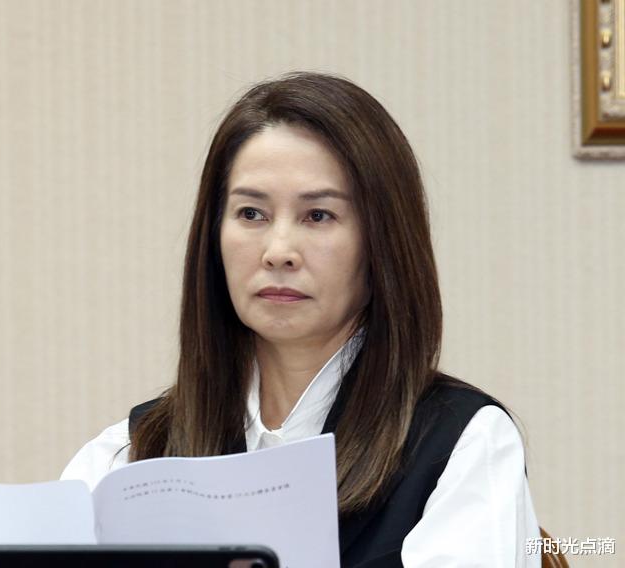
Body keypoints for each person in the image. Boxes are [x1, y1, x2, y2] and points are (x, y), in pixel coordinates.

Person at [61, 71, 541, 567]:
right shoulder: (129, 455)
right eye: (251, 213)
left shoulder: (462, 443)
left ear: (382, 242)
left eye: (318, 216)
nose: (279, 251)